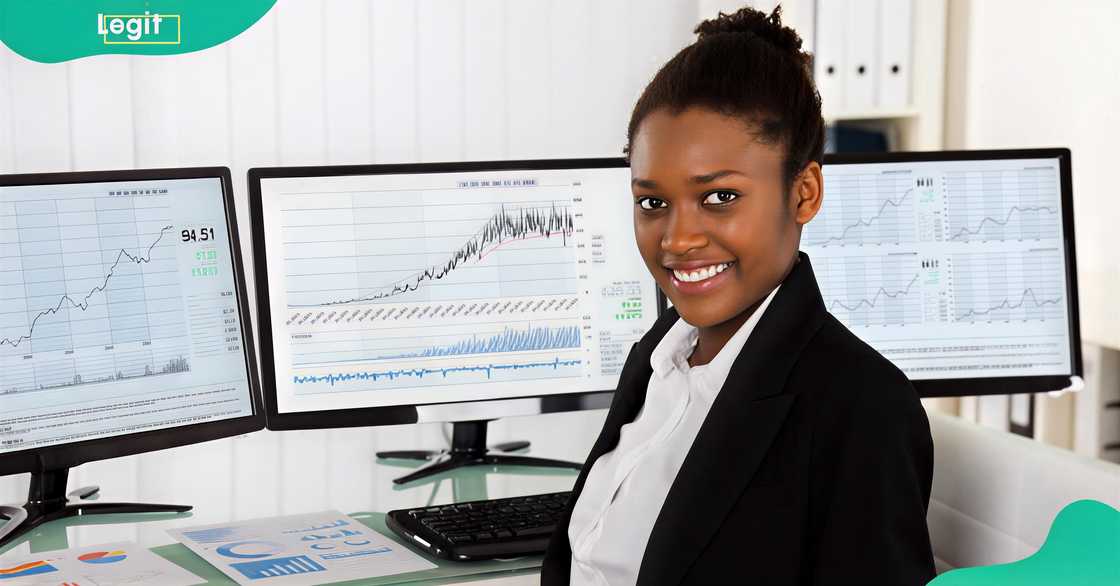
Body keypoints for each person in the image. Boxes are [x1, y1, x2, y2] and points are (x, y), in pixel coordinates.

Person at [541, 6, 935, 585]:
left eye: (720, 197)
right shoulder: (660, 353)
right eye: (652, 202)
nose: (677, 238)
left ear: (803, 193)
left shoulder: (862, 408)